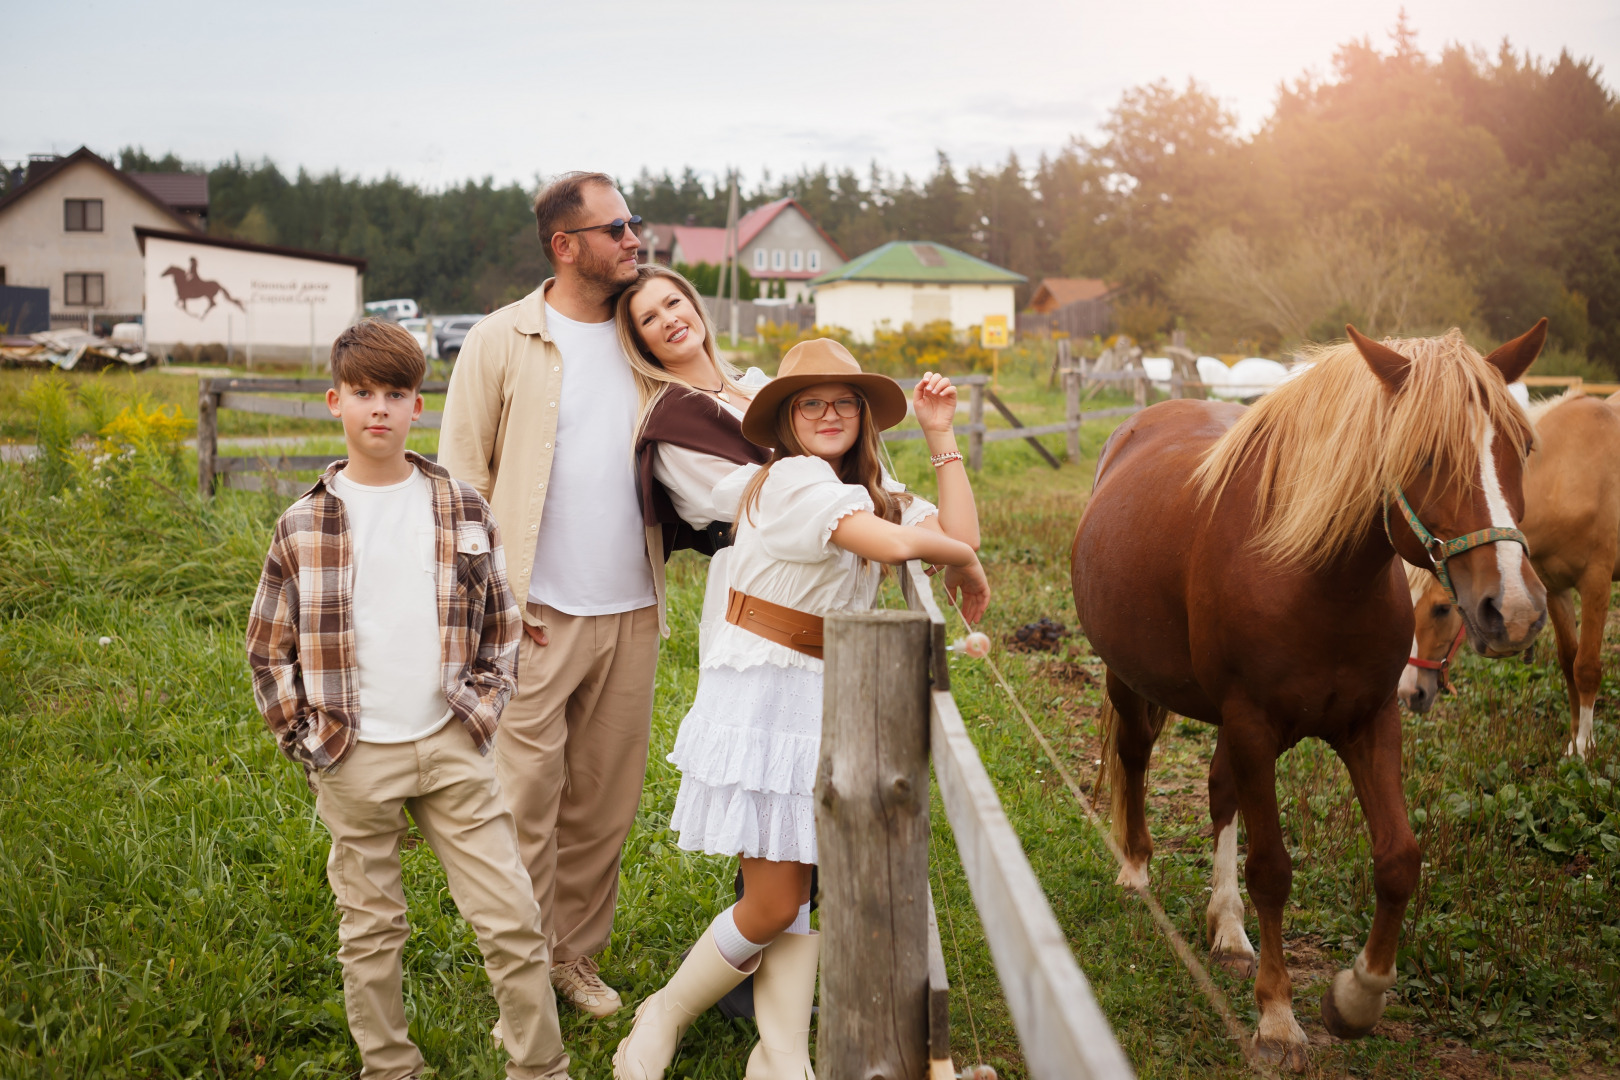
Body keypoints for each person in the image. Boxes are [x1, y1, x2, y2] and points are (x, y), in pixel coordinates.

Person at [613, 339, 991, 1080]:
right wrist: (959, 560)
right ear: (785, 420)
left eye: (842, 401)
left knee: (797, 884)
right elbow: (889, 544)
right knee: (775, 896)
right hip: (768, 692)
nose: (827, 413)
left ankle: (779, 1053)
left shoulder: (867, 484)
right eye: (809, 402)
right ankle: (665, 1011)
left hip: (828, 688)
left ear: (862, 414)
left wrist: (942, 435)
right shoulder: (791, 479)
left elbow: (955, 535)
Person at [245, 319, 569, 1080]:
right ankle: (389, 1066)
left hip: (451, 743)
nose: (379, 409)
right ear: (336, 402)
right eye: (363, 394)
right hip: (354, 754)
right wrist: (309, 742)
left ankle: (540, 1066)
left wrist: (483, 710)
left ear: (416, 406)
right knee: (370, 928)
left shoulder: (458, 504)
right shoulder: (302, 524)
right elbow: (268, 650)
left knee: (513, 920)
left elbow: (501, 620)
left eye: (395, 393)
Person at [438, 171, 660, 1020]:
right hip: (535, 614)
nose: (634, 238)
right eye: (616, 228)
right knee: (525, 803)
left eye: (633, 223)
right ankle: (519, 977)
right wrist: (491, 601)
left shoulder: (643, 335)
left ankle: (575, 958)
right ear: (565, 246)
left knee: (604, 804)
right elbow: (462, 479)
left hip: (634, 609)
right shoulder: (502, 340)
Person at [622, 265, 771, 660]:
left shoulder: (757, 387)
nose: (669, 319)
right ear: (643, 344)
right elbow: (766, 499)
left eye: (673, 302)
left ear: (694, 305)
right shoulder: (671, 421)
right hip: (759, 589)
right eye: (649, 319)